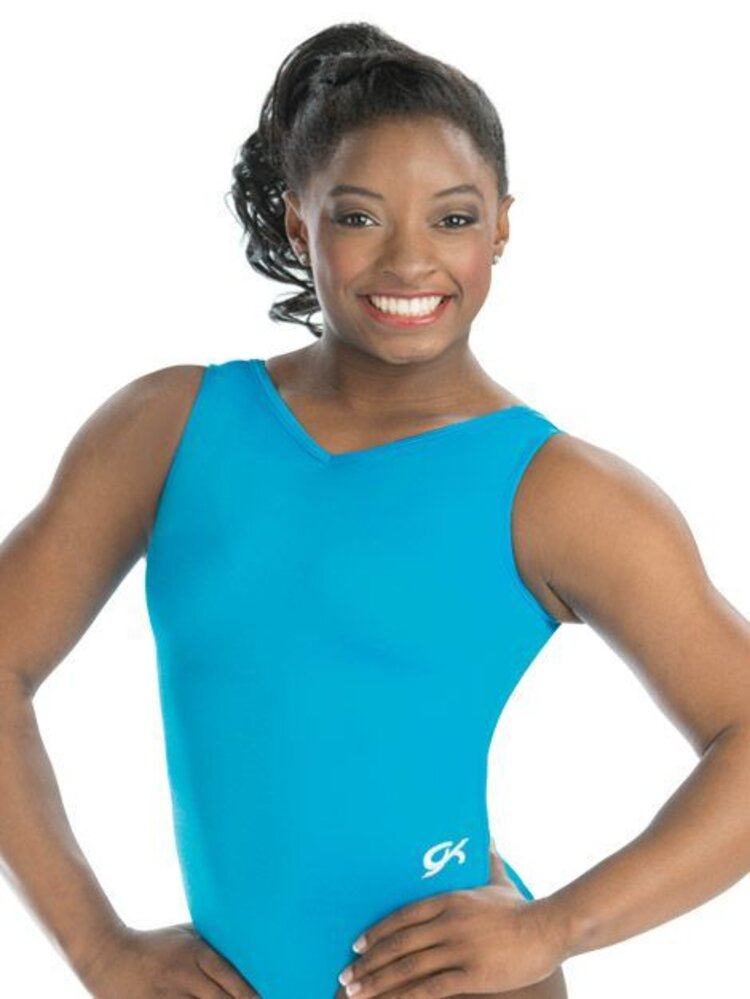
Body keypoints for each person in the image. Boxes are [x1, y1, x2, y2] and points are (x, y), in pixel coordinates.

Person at [1, 18, 749, 999]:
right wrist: (96, 948)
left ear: (501, 227)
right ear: (297, 222)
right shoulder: (167, 429)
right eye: (359, 217)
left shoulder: (561, 492)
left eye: (453, 218)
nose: (409, 263)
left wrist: (553, 926)